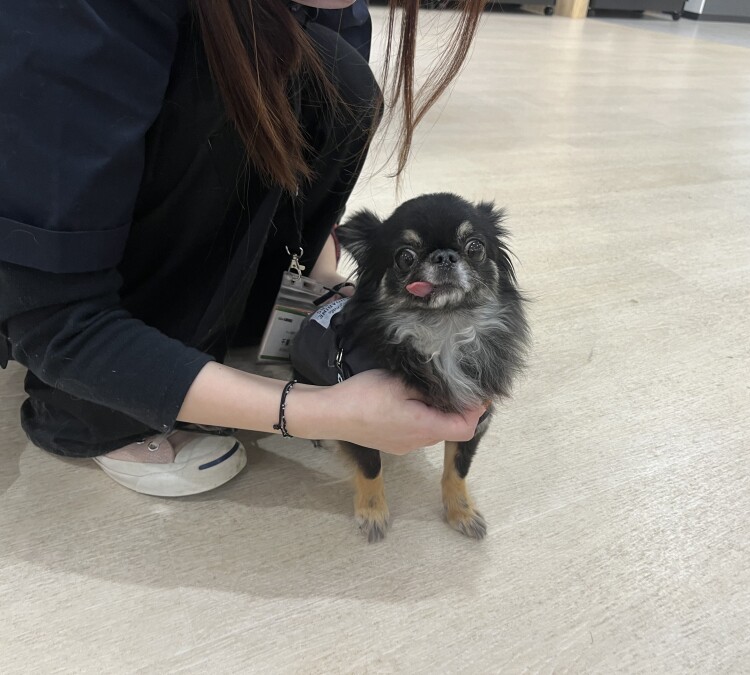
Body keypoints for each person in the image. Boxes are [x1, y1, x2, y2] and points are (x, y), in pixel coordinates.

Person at [0, 0, 487, 497]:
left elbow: (310, 181)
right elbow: (53, 320)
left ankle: (236, 313)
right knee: (220, 76)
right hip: (42, 261)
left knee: (335, 76)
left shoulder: (339, 9)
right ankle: (98, 413)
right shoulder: (75, 16)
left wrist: (318, 281)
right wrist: (315, 413)